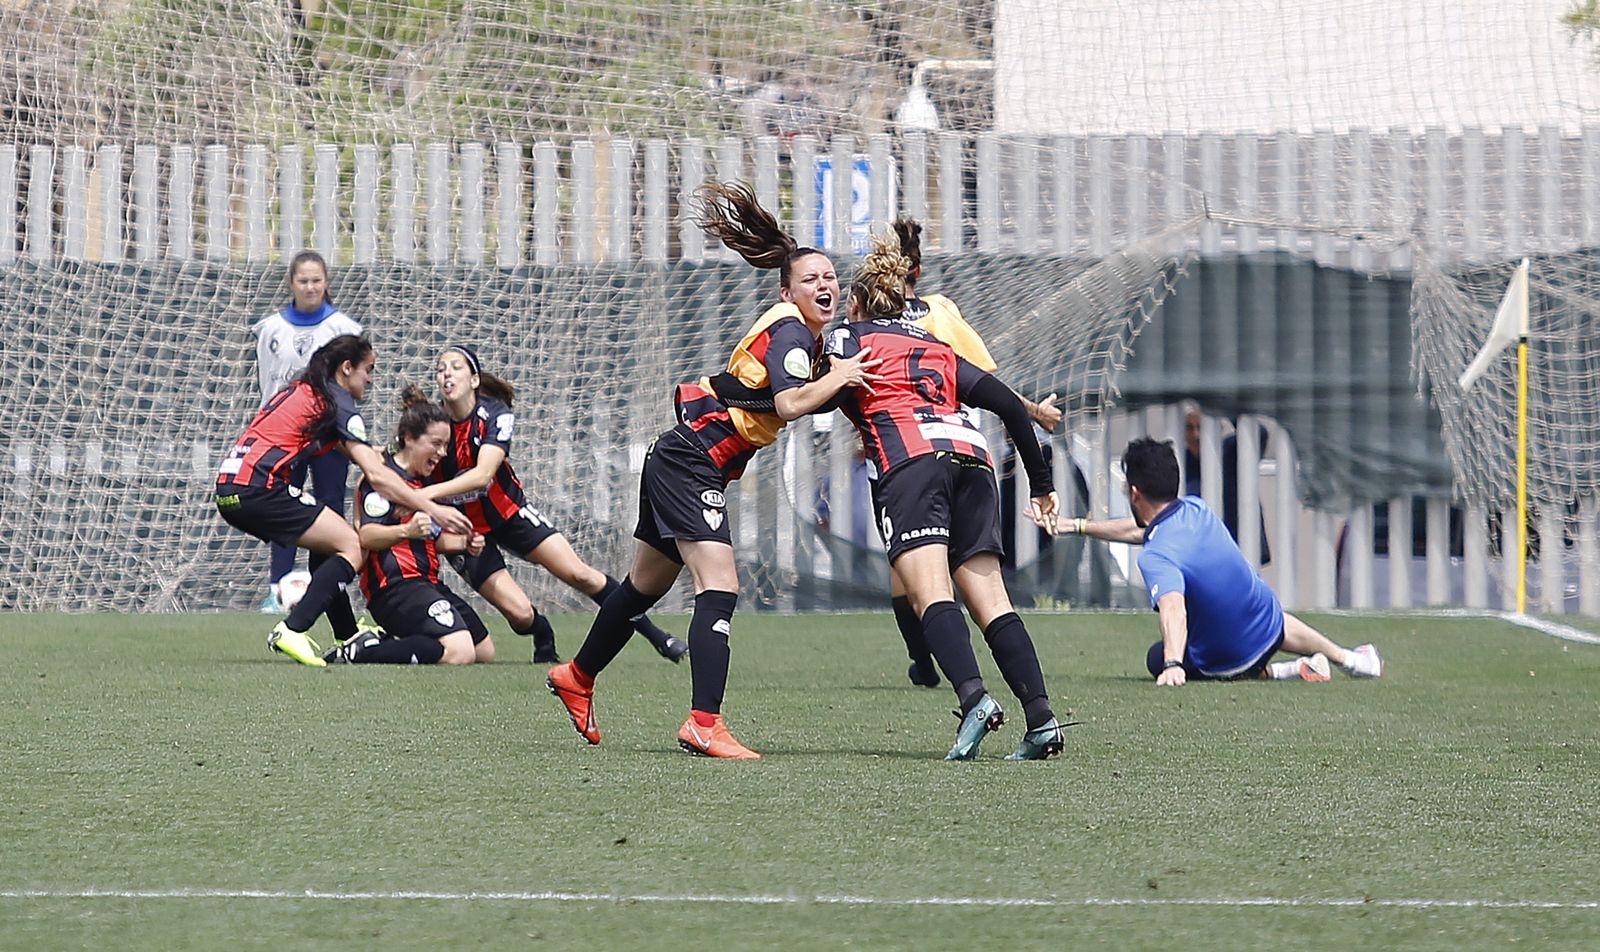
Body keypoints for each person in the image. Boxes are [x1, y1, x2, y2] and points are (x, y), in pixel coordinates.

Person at [544, 181, 880, 759]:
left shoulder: (803, 338)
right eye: (811, 279)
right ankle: (703, 722)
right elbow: (789, 402)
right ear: (787, 290)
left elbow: (789, 394)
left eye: (829, 277)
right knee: (720, 584)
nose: (825, 285)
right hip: (689, 464)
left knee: (644, 586)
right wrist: (842, 377)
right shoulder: (792, 332)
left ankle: (577, 675)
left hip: (679, 457)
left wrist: (840, 380)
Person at [825, 230, 1066, 760]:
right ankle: (1043, 720)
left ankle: (974, 699)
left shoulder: (846, 340)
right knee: (992, 601)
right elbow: (1005, 402)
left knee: (931, 593)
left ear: (859, 302)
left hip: (911, 464)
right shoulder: (934, 345)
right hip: (973, 459)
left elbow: (816, 397)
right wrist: (1042, 483)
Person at [215, 334, 473, 667]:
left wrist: (387, 453)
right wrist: (433, 507)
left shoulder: (305, 391)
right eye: (368, 369)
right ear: (346, 368)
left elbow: (355, 451)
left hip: (232, 487)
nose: (370, 379)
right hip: (259, 487)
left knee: (330, 542)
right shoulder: (338, 402)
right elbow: (377, 477)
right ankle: (292, 629)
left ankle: (347, 634)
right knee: (354, 545)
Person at [419, 344, 686, 665]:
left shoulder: (495, 414)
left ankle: (658, 636)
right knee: (519, 615)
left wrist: (425, 496)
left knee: (581, 575)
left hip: (510, 514)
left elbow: (482, 475)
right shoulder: (431, 425)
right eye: (440, 368)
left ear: (474, 379)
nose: (446, 373)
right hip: (464, 531)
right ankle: (542, 631)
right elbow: (403, 461)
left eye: (456, 367)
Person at [885, 217, 1062, 689]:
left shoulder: (860, 322)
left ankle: (944, 673)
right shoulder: (938, 312)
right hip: (960, 447)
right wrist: (1033, 414)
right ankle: (1027, 704)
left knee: (915, 576)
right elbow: (985, 385)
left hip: (905, 453)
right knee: (957, 583)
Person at [1062, 436, 1383, 684]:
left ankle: (1279, 672)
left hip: (1228, 656)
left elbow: (1174, 607)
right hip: (1269, 627)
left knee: (1155, 656)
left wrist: (1172, 664)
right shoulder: (1197, 510)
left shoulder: (1155, 555)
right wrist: (1077, 526)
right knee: (1263, 607)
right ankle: (1350, 660)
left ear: (1134, 493)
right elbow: (1140, 530)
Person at [327, 388, 495, 665]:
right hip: (395, 588)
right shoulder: (384, 480)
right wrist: (405, 530)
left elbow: (427, 541)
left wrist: (463, 543)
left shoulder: (423, 482)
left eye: (446, 445)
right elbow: (367, 536)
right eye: (435, 443)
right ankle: (363, 652)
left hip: (427, 583)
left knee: (483, 652)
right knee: (459, 651)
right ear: (409, 439)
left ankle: (391, 645)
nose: (442, 453)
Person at [252, 251, 363, 612]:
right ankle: (276, 589)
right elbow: (268, 384)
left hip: (328, 436)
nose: (311, 286)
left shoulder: (344, 329)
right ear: (291, 283)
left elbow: (351, 387)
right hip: (285, 438)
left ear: (326, 282)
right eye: (304, 280)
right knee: (281, 508)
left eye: (317, 280)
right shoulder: (271, 329)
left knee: (330, 510)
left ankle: (329, 590)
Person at [1182, 406, 1270, 564]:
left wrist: (1224, 406)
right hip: (1199, 553)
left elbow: (1258, 434)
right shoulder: (1180, 462)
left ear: (1218, 428)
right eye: (1189, 428)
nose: (1196, 435)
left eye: (1201, 427)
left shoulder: (1231, 452)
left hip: (1240, 545)